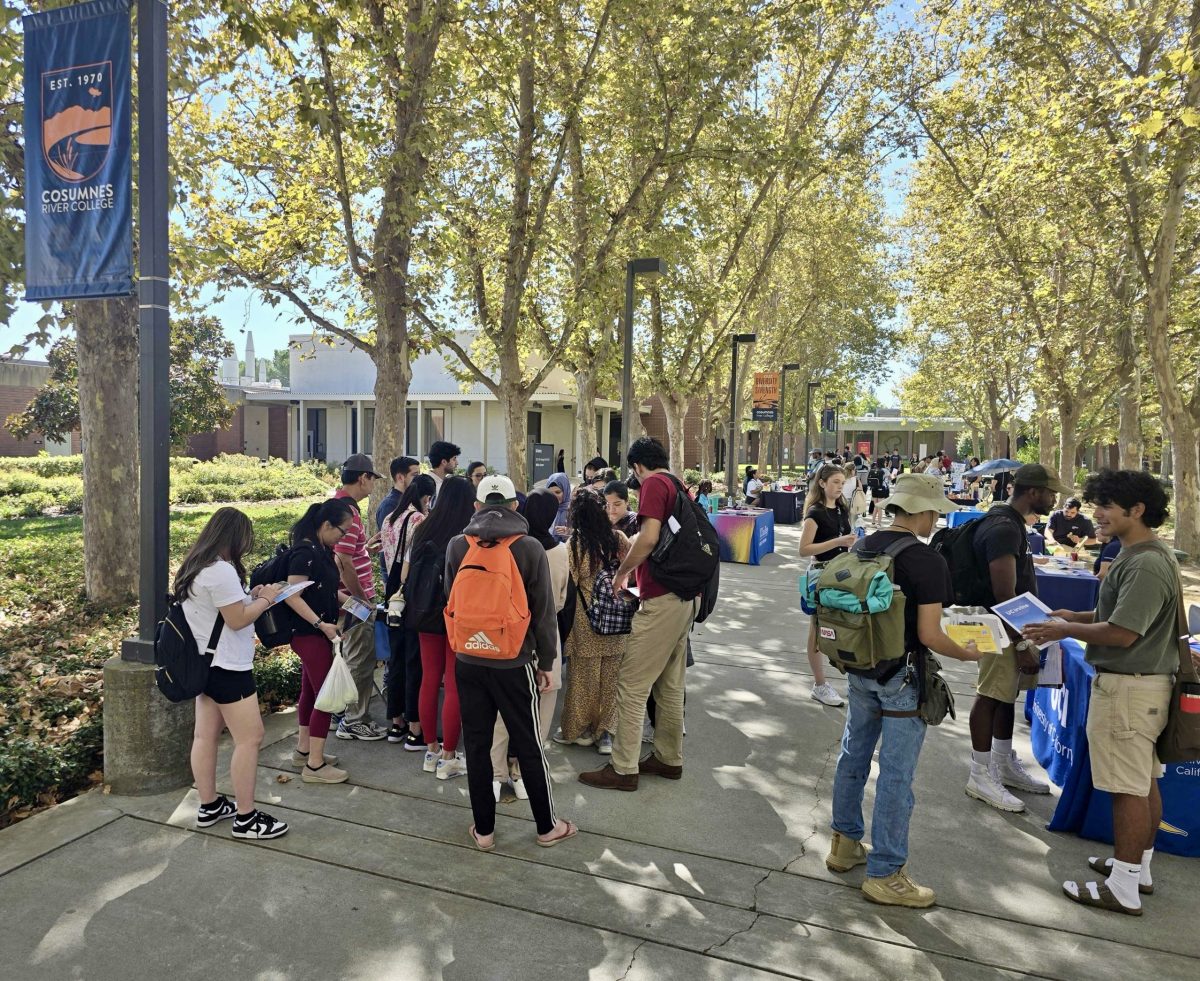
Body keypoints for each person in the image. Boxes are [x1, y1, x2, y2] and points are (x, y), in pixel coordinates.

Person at [1022, 470, 1179, 916]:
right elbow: (1119, 613)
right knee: (1141, 783)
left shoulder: (1146, 561)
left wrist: (1065, 627)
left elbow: (1125, 632)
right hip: (1136, 689)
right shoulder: (1139, 556)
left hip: (1129, 690)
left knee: (1128, 790)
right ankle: (1137, 869)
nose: (1097, 515)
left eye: (1107, 506)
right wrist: (1076, 614)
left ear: (1137, 510)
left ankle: (1123, 886)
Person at [826, 474, 982, 908]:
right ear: (924, 511)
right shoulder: (926, 559)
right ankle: (887, 873)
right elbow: (930, 634)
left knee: (853, 755)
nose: (937, 519)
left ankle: (843, 844)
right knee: (896, 775)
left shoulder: (863, 545)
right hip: (903, 678)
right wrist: (967, 654)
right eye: (936, 511)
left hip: (860, 669)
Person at [446, 474, 577, 849]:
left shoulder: (458, 545)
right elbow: (543, 613)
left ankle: (484, 832)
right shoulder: (530, 547)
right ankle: (547, 827)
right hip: (514, 661)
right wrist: (548, 662)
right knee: (529, 743)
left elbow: (449, 598)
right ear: (515, 506)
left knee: (477, 745)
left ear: (476, 507)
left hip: (468, 657)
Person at [580, 437, 694, 792]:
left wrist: (621, 573)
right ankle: (668, 758)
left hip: (661, 600)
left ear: (637, 467)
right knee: (670, 685)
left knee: (631, 684)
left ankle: (624, 767)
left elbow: (647, 538)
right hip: (685, 597)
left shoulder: (656, 484)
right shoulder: (678, 485)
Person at [178, 507, 289, 840]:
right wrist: (267, 599)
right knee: (250, 738)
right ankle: (246, 818)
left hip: (205, 665)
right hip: (229, 666)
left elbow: (228, 609)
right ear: (234, 537)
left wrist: (251, 596)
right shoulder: (221, 571)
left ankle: (209, 805)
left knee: (205, 736)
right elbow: (238, 620)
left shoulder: (196, 566)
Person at [964, 463, 1063, 811]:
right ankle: (979, 773)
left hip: (1008, 629)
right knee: (990, 695)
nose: (1054, 499)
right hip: (999, 629)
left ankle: (1002, 762)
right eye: (1051, 493)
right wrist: (1022, 644)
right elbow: (1004, 596)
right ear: (1033, 492)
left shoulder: (1007, 523)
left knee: (1005, 696)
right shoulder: (1005, 528)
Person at [490, 489, 568, 800]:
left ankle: (495, 774)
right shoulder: (559, 552)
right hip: (548, 636)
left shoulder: (510, 546)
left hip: (511, 636)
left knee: (504, 708)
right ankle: (522, 772)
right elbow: (559, 603)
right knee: (542, 709)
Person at [403, 475, 477, 779]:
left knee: (429, 678)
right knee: (454, 681)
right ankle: (449, 755)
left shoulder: (422, 528)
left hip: (423, 613)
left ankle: (431, 750)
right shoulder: (468, 535)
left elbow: (408, 574)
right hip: (455, 615)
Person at [282, 499, 356, 784]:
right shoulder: (304, 552)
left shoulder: (322, 549)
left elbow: (323, 589)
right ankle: (314, 765)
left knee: (311, 692)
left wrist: (351, 602)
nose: (345, 536)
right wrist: (320, 624)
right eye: (343, 531)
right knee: (327, 696)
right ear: (326, 525)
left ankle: (304, 750)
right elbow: (292, 595)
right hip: (308, 634)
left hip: (318, 632)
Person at [556, 490, 633, 754]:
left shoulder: (574, 545)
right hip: (616, 618)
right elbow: (634, 567)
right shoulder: (617, 539)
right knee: (611, 680)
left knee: (582, 679)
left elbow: (569, 584)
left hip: (585, 620)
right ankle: (606, 735)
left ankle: (579, 730)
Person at [332, 454, 386, 742]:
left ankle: (340, 714)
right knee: (360, 660)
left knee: (346, 657)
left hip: (341, 597)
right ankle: (354, 720)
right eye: (372, 479)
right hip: (353, 601)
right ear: (363, 477)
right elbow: (342, 559)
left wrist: (365, 549)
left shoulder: (336, 505)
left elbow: (345, 552)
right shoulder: (349, 514)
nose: (373, 485)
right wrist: (361, 599)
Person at [380, 473, 436, 749]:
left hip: (392, 594)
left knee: (397, 658)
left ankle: (396, 723)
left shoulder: (389, 518)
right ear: (427, 497)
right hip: (410, 594)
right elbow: (414, 563)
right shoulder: (419, 521)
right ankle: (416, 729)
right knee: (414, 659)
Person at [799, 464, 855, 707]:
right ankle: (820, 684)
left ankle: (844, 680)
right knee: (818, 628)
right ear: (822, 483)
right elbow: (804, 549)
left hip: (843, 573)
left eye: (842, 482)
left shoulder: (842, 508)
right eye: (835, 482)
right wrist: (838, 541)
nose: (839, 486)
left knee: (843, 625)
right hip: (822, 575)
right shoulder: (815, 512)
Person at [375, 456, 421, 541]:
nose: (419, 479)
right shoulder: (389, 505)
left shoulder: (413, 500)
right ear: (400, 477)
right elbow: (391, 541)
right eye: (415, 475)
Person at [427, 440, 461, 505]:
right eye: (454, 459)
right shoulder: (426, 484)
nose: (457, 463)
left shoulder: (449, 483)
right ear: (444, 462)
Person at [547, 471, 572, 541]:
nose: (554, 496)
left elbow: (584, 533)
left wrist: (569, 531)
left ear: (566, 491)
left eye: (558, 492)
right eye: (550, 492)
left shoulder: (574, 509)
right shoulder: (544, 509)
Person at [866, 457, 889, 527]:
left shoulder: (874, 469)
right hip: (882, 489)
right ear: (883, 463)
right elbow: (892, 477)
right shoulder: (885, 470)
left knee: (876, 506)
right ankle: (879, 523)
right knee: (880, 507)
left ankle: (873, 522)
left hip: (874, 489)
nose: (886, 464)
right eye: (885, 462)